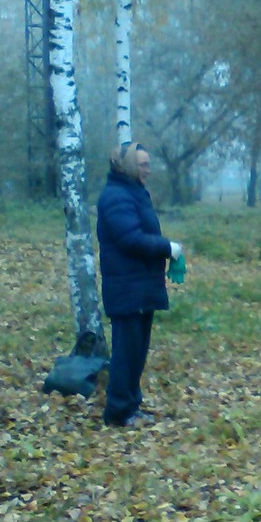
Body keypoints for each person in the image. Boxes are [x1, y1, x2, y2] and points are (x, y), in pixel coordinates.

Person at [96, 141, 182, 428]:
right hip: (126, 287)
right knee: (126, 352)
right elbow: (130, 239)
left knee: (137, 350)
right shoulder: (116, 197)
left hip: (139, 285)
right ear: (130, 166)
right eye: (143, 164)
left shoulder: (131, 193)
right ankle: (118, 412)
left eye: (148, 164)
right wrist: (166, 247)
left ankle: (131, 406)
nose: (148, 170)